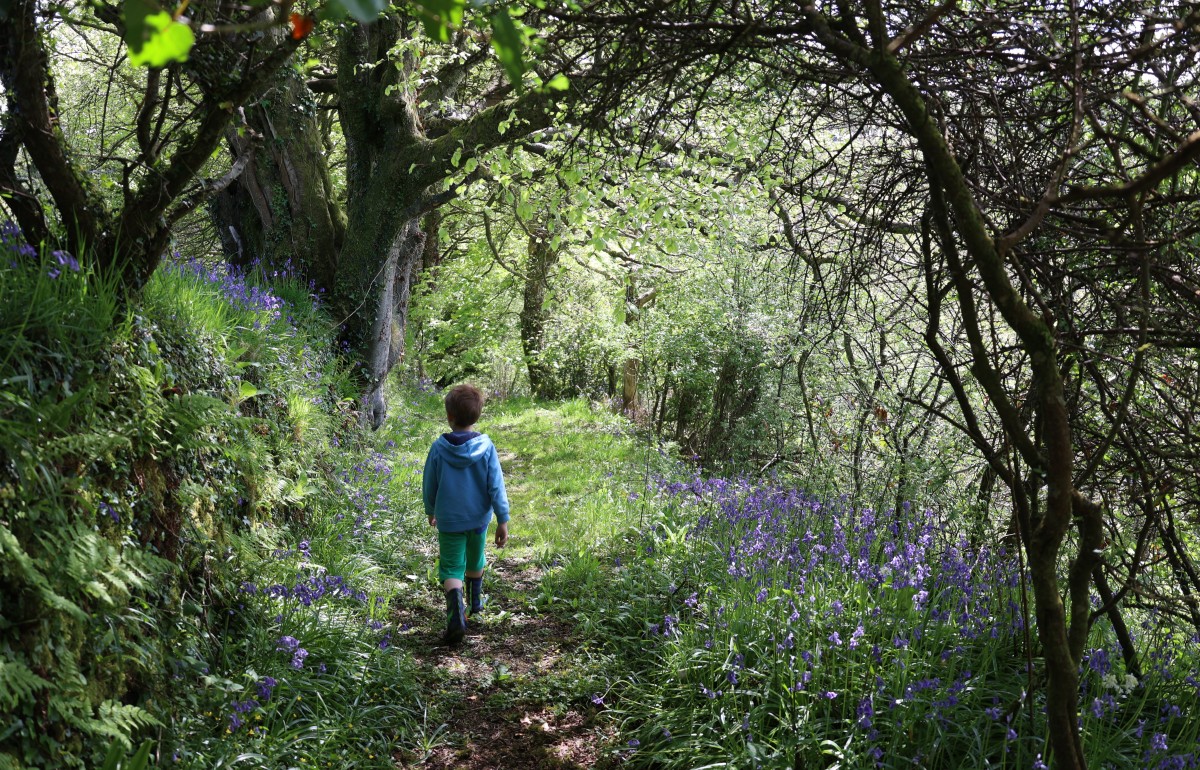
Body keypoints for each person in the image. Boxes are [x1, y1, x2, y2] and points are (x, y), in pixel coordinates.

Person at [422, 384, 510, 645]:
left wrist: (431, 509)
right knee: (476, 558)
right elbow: (496, 485)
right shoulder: (486, 447)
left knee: (451, 567)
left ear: (449, 417)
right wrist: (502, 519)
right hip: (478, 519)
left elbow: (430, 483)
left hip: (449, 519)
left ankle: (456, 617)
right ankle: (475, 605)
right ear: (477, 416)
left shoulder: (439, 448)